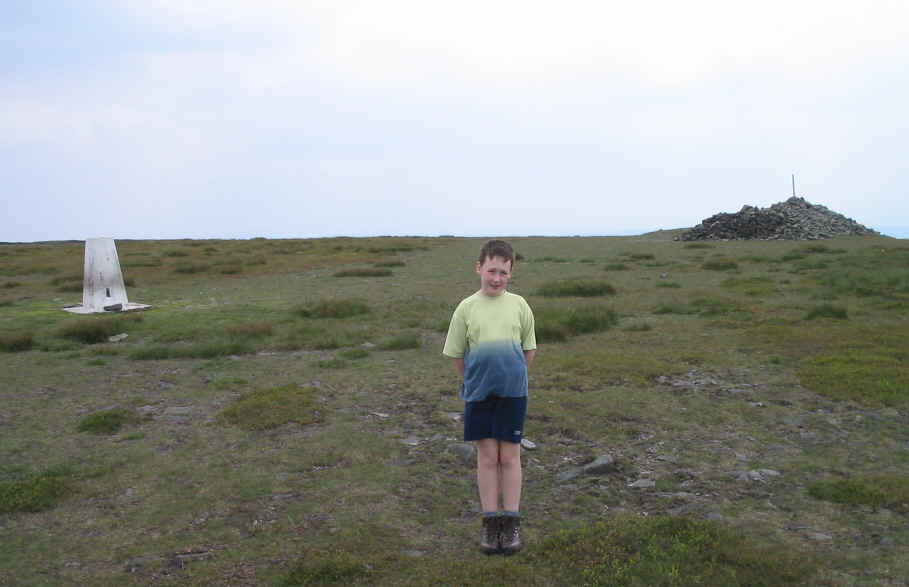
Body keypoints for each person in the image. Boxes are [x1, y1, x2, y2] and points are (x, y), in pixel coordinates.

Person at [442, 239, 536, 555]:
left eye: (504, 272)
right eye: (491, 270)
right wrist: (473, 382)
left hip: (513, 394)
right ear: (479, 268)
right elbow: (457, 354)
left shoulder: (520, 305)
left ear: (511, 273)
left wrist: (514, 377)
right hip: (479, 394)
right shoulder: (466, 308)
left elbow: (529, 349)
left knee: (509, 457)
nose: (497, 278)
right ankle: (489, 522)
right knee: (486, 457)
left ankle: (510, 523)